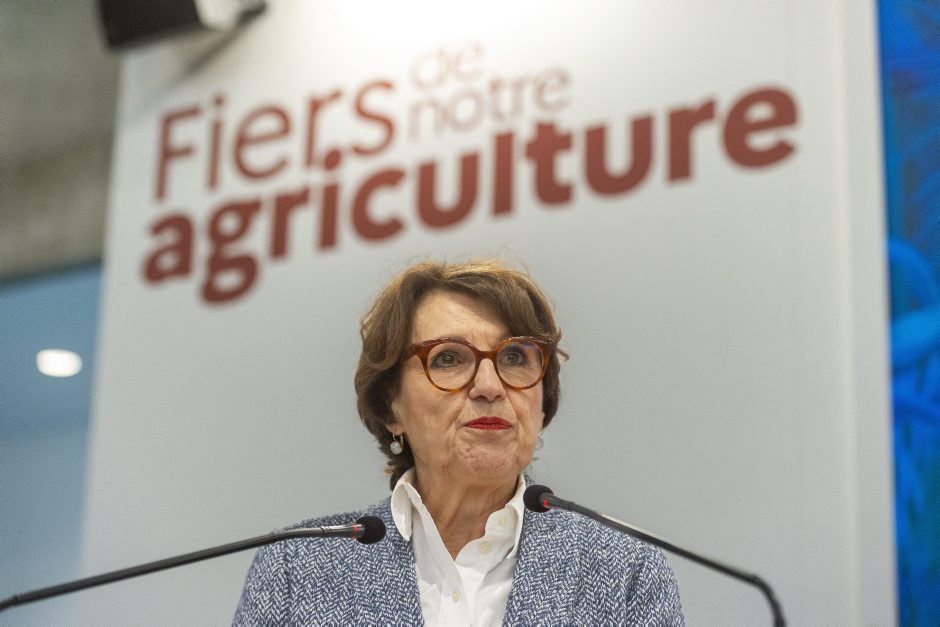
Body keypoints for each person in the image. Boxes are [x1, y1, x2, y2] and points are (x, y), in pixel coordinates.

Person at [234, 259, 683, 625]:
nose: (489, 386)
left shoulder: (625, 570)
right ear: (390, 407)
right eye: (448, 358)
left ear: (542, 401)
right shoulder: (297, 568)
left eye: (515, 357)